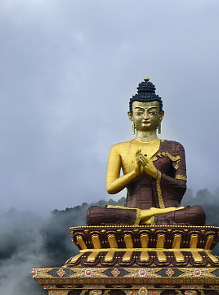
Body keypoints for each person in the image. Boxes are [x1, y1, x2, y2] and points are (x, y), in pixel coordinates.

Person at [86, 78, 206, 226]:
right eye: (140, 112)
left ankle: (142, 218)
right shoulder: (118, 149)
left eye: (152, 112)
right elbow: (111, 188)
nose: (146, 117)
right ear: (131, 116)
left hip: (165, 210)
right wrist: (135, 172)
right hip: (138, 210)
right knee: (93, 214)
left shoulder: (174, 147)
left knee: (197, 213)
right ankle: (149, 216)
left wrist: (154, 173)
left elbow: (181, 187)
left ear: (160, 115)